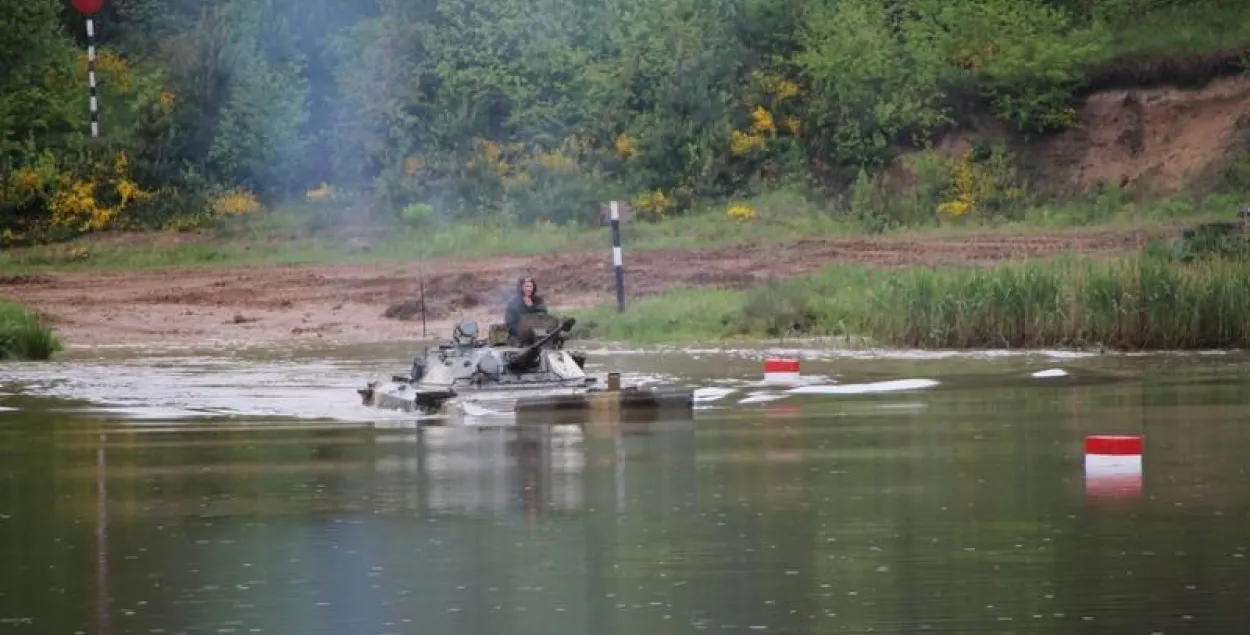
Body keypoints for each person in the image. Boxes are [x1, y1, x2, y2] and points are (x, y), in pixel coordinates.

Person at [505, 276, 548, 340]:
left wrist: (532, 307)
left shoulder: (537, 300)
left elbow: (544, 314)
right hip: (518, 335)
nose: (529, 289)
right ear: (521, 287)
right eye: (526, 286)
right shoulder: (513, 302)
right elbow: (510, 323)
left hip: (538, 333)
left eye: (531, 286)